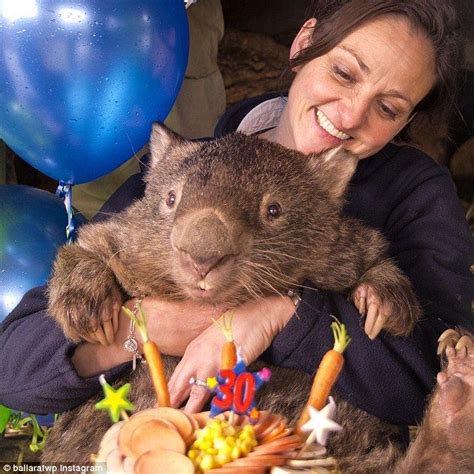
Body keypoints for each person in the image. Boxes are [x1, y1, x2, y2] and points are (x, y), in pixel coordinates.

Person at [1, 0, 473, 439]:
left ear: (407, 121)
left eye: (388, 108)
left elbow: (439, 372)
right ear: (304, 45)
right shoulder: (183, 172)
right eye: (344, 73)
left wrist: (278, 317)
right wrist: (147, 326)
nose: (350, 115)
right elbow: (14, 371)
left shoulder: (413, 193)